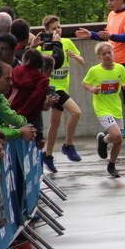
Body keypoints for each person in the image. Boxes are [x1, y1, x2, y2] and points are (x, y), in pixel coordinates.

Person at [76, 0, 125, 139]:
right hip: (111, 63)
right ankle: (113, 128)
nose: (109, 4)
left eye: (111, 0)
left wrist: (111, 36)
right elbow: (108, 37)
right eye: (108, 1)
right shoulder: (111, 15)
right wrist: (91, 34)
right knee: (109, 94)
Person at [39, 15, 85, 167]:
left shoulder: (67, 42)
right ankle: (68, 146)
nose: (58, 30)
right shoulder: (44, 46)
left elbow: (83, 62)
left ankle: (48, 154)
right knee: (76, 112)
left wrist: (75, 57)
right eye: (54, 29)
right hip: (52, 87)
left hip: (63, 86)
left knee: (55, 122)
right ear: (47, 32)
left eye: (59, 27)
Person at [81, 42, 125, 178]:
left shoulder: (120, 69)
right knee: (116, 135)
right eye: (104, 54)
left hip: (116, 107)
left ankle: (111, 165)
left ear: (113, 53)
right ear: (99, 57)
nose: (108, 56)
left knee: (118, 140)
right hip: (102, 108)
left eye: (109, 52)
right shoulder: (94, 71)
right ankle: (103, 140)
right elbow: (84, 83)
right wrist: (92, 89)